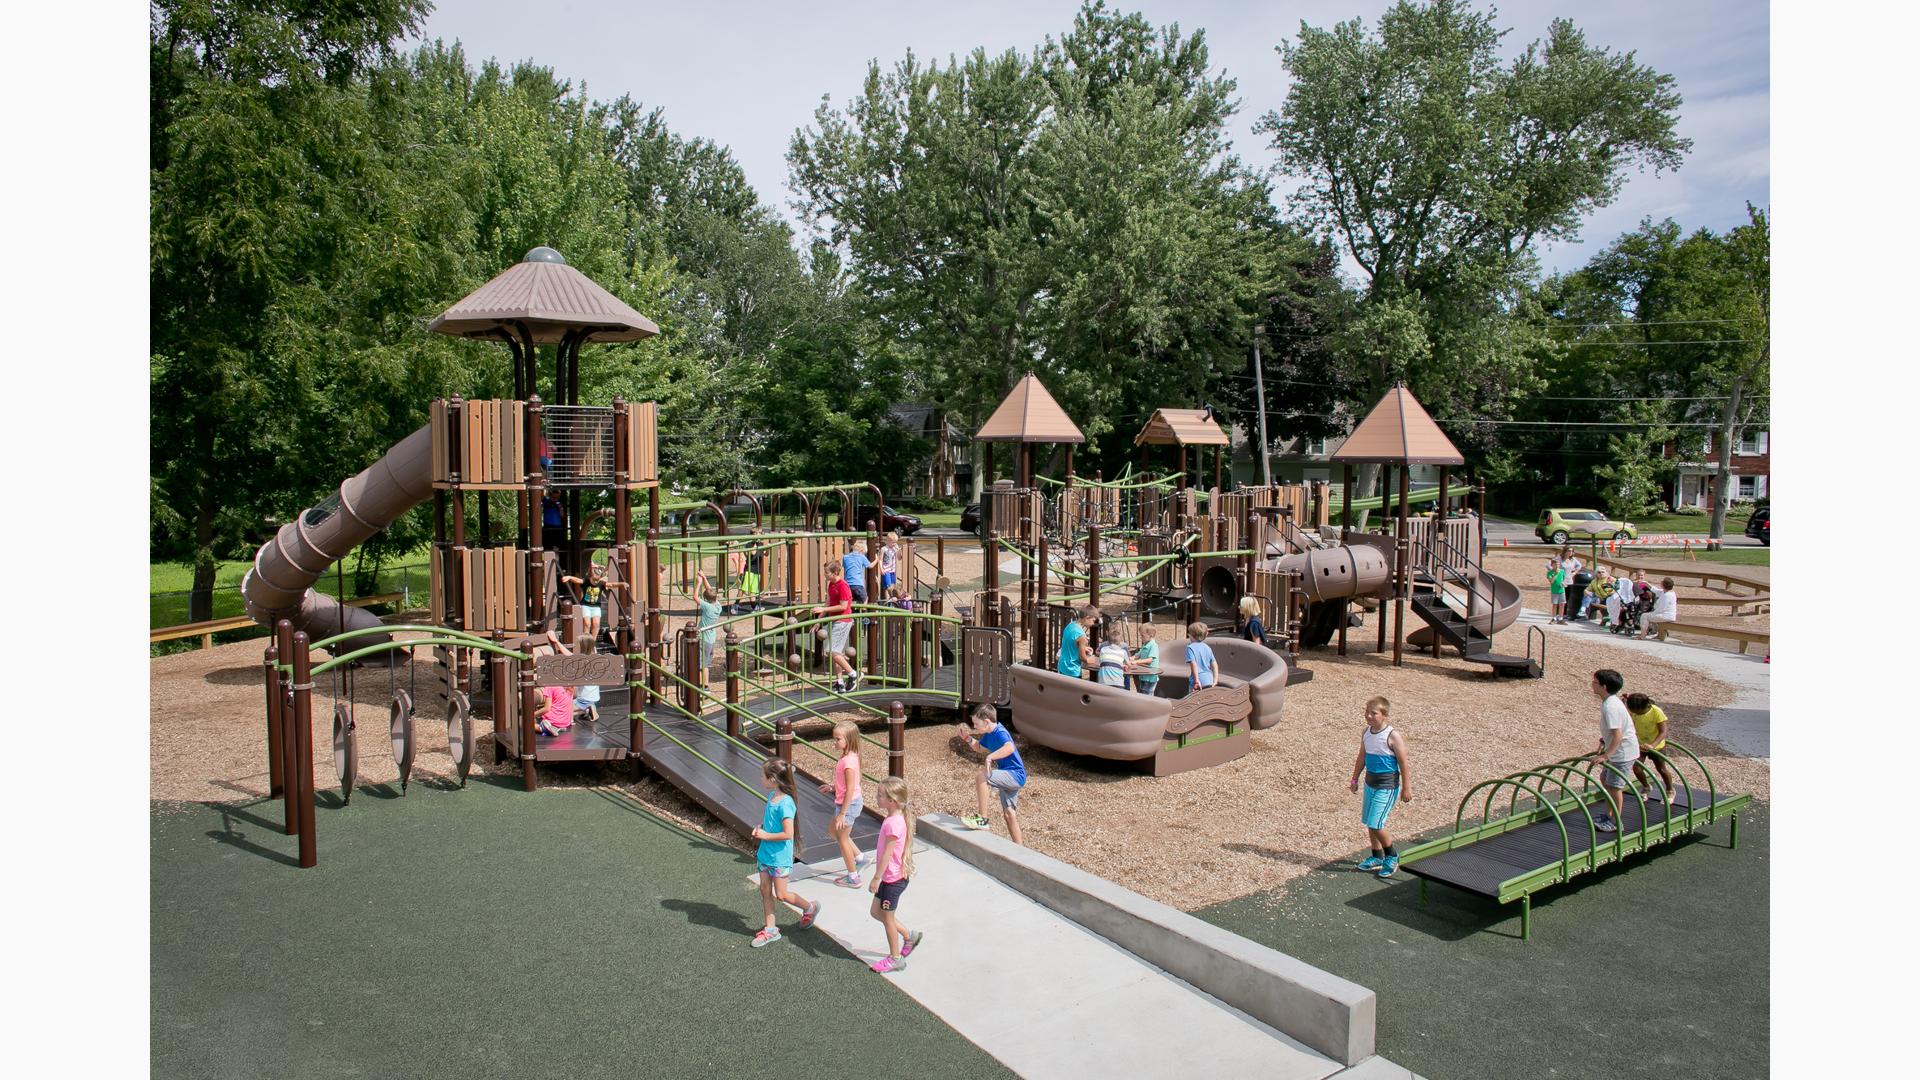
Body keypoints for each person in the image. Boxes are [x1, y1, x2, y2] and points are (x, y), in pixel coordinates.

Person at [746, 759, 820, 947]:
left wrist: (765, 835)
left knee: (781, 894)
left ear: (772, 779)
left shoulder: (786, 803)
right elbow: (771, 824)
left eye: (762, 776)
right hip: (765, 854)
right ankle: (771, 929)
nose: (760, 778)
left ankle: (809, 907)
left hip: (779, 858)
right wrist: (761, 828)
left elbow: (788, 834)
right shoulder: (772, 796)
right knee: (764, 890)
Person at [1348, 696, 1412, 879]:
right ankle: (1376, 856)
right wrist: (1354, 779)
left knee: (1376, 823)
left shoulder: (1392, 736)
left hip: (1386, 785)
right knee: (1369, 821)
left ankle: (1391, 855)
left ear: (1384, 715)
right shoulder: (1366, 732)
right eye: (1366, 712)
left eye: (1373, 713)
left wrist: (1406, 788)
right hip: (1370, 783)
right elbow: (1362, 756)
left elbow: (1403, 763)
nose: (1368, 716)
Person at [866, 776, 923, 974]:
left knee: (888, 918)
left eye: (880, 795)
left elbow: (888, 854)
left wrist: (876, 878)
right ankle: (909, 936)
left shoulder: (893, 824)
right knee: (876, 912)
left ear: (892, 801)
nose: (876, 797)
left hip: (892, 880)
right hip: (891, 877)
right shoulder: (894, 819)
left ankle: (895, 958)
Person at [958, 704, 1027, 844]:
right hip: (1008, 776)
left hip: (1015, 774)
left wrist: (990, 757)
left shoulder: (1000, 732)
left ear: (987, 722)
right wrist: (967, 738)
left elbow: (1009, 747)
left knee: (981, 777)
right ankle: (1020, 850)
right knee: (1009, 814)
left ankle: (982, 819)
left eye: (976, 724)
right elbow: (979, 747)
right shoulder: (988, 735)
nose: (975, 727)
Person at [1588, 668, 1640, 831]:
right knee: (1606, 780)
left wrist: (1606, 755)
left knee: (1615, 787)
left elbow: (1617, 734)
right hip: (1617, 751)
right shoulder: (1610, 701)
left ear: (1603, 686)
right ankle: (1609, 814)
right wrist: (1604, 741)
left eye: (1595, 682)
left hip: (1623, 753)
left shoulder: (1610, 706)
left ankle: (1616, 821)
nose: (1592, 684)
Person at [818, 720, 868, 887]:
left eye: (838, 739)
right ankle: (860, 858)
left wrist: (842, 814)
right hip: (847, 802)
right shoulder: (849, 757)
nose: (835, 742)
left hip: (848, 805)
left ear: (849, 739)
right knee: (833, 832)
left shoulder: (848, 763)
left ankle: (853, 877)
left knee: (842, 839)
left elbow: (850, 790)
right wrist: (832, 787)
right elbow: (847, 785)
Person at [813, 562, 860, 692]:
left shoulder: (843, 586)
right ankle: (839, 682)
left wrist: (824, 609)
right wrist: (819, 619)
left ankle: (853, 674)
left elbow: (843, 606)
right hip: (834, 619)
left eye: (827, 573)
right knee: (836, 652)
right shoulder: (831, 584)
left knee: (831, 651)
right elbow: (828, 601)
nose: (825, 575)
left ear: (834, 573)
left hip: (843, 620)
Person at [1625, 692, 1677, 803]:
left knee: (1661, 769)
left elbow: (1663, 732)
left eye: (1639, 712)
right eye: (1634, 712)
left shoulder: (1656, 711)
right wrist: (1626, 698)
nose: (1636, 714)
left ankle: (1670, 790)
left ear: (1647, 706)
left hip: (1656, 746)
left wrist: (1652, 745)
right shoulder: (1634, 708)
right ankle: (1646, 786)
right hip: (1640, 744)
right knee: (1637, 769)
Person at [561, 562, 610, 648]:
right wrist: (569, 577)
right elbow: (577, 580)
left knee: (596, 623)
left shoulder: (601, 583)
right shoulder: (586, 581)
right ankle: (586, 641)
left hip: (596, 606)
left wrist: (621, 584)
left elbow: (610, 583)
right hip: (586, 605)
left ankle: (592, 642)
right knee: (587, 623)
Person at [1057, 605, 1097, 679]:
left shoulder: (1070, 625)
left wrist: (1082, 648)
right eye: (1093, 620)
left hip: (1062, 665)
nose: (1093, 624)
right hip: (1072, 670)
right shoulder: (1082, 636)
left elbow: (1069, 644)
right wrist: (1089, 660)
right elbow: (1083, 658)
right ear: (1087, 617)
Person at [1185, 622, 1219, 694]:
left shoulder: (1190, 648)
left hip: (1198, 681)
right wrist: (1215, 680)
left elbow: (1193, 664)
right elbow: (1215, 664)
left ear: (1192, 636)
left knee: (1192, 702)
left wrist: (1197, 681)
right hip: (1209, 680)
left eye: (1189, 634)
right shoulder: (1207, 647)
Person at [1128, 625, 1161, 697]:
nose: (1141, 637)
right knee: (1142, 693)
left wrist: (1136, 662)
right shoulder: (1145, 645)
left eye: (1142, 636)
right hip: (1144, 675)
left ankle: (1148, 707)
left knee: (1147, 695)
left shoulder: (1153, 646)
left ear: (1150, 635)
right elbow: (1138, 655)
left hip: (1150, 677)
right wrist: (1131, 658)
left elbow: (1150, 660)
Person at [842, 538, 873, 604]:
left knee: (850, 600)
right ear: (861, 551)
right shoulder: (861, 557)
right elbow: (870, 566)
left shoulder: (845, 557)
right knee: (865, 599)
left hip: (847, 584)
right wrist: (877, 560)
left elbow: (843, 565)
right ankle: (864, 612)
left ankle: (851, 612)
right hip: (857, 584)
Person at [1546, 558, 1567, 624]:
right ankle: (1554, 618)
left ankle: (1560, 618)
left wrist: (1564, 583)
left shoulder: (1562, 571)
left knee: (1562, 604)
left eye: (1558, 564)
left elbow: (1564, 579)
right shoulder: (1550, 573)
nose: (1557, 565)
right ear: (1552, 565)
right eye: (1555, 564)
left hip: (1561, 590)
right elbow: (1551, 582)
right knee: (1555, 604)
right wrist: (1555, 574)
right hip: (1554, 591)